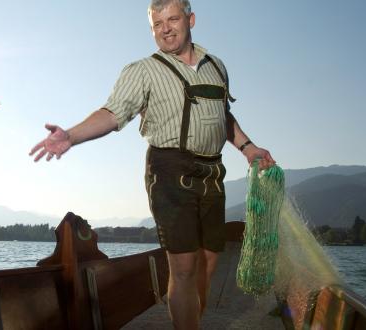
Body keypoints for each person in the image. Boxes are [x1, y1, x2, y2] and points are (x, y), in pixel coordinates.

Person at [30, 0, 275, 328]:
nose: (166, 29)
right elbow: (112, 112)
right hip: (169, 170)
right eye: (157, 24)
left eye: (173, 19)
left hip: (213, 172)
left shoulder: (216, 66)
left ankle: (191, 320)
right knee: (184, 268)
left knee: (208, 262)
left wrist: (247, 147)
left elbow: (221, 115)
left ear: (191, 19)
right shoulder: (142, 70)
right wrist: (71, 136)